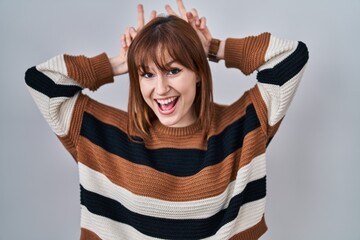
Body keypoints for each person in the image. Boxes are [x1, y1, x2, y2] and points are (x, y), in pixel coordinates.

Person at [25, 0, 309, 239]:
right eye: (147, 74)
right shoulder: (105, 136)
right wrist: (121, 62)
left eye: (173, 70)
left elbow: (290, 57)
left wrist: (211, 47)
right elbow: (42, 81)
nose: (160, 90)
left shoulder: (241, 128)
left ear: (198, 71)